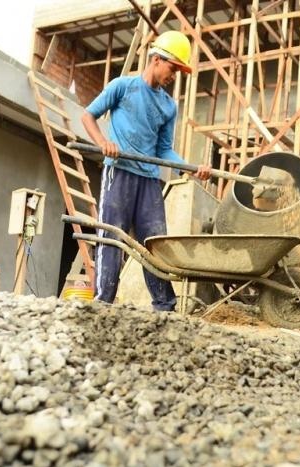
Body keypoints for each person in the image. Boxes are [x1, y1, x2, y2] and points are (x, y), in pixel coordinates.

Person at [81, 30, 211, 311]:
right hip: (119, 173)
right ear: (156, 59)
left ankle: (164, 307)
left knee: (155, 244)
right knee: (112, 238)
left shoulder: (168, 106)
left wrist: (189, 168)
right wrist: (104, 142)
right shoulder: (122, 87)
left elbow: (164, 150)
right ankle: (103, 303)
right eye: (173, 68)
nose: (174, 76)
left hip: (149, 181)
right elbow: (87, 115)